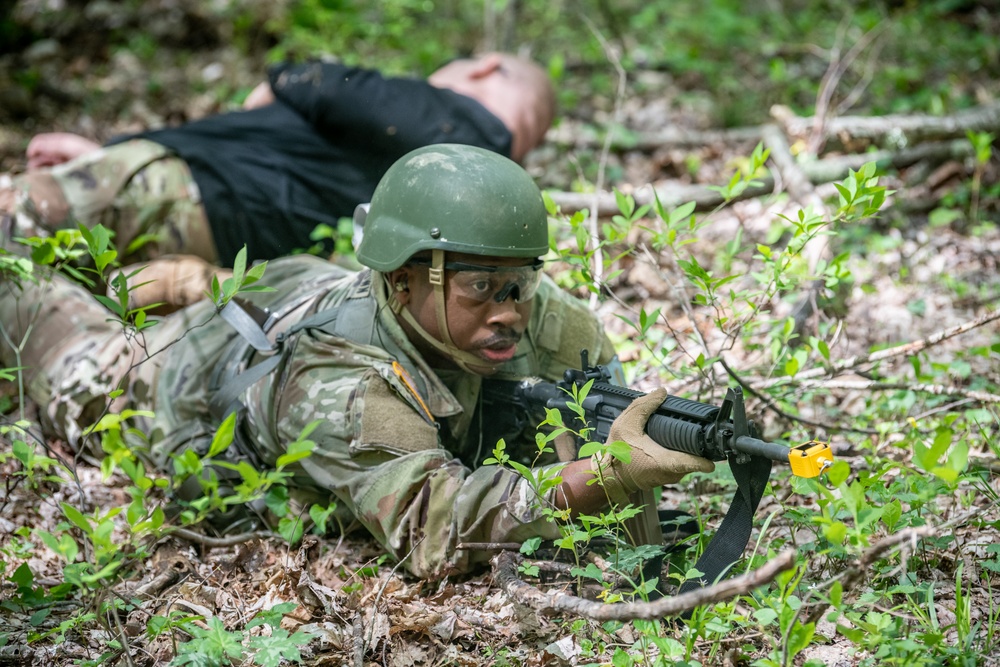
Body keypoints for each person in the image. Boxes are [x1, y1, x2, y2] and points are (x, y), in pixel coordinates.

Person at [0, 144, 713, 578]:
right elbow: (436, 528)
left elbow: (605, 452)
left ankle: (182, 279)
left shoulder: (548, 320)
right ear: (404, 277)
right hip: (164, 382)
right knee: (23, 293)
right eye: (478, 288)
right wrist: (597, 478)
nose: (509, 311)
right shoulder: (341, 383)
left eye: (518, 282)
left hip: (286, 290)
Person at [0, 53, 556, 268]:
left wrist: (121, 157)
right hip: (209, 253)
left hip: (171, 184)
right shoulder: (480, 197)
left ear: (485, 68)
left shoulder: (442, 111)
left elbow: (318, 83)